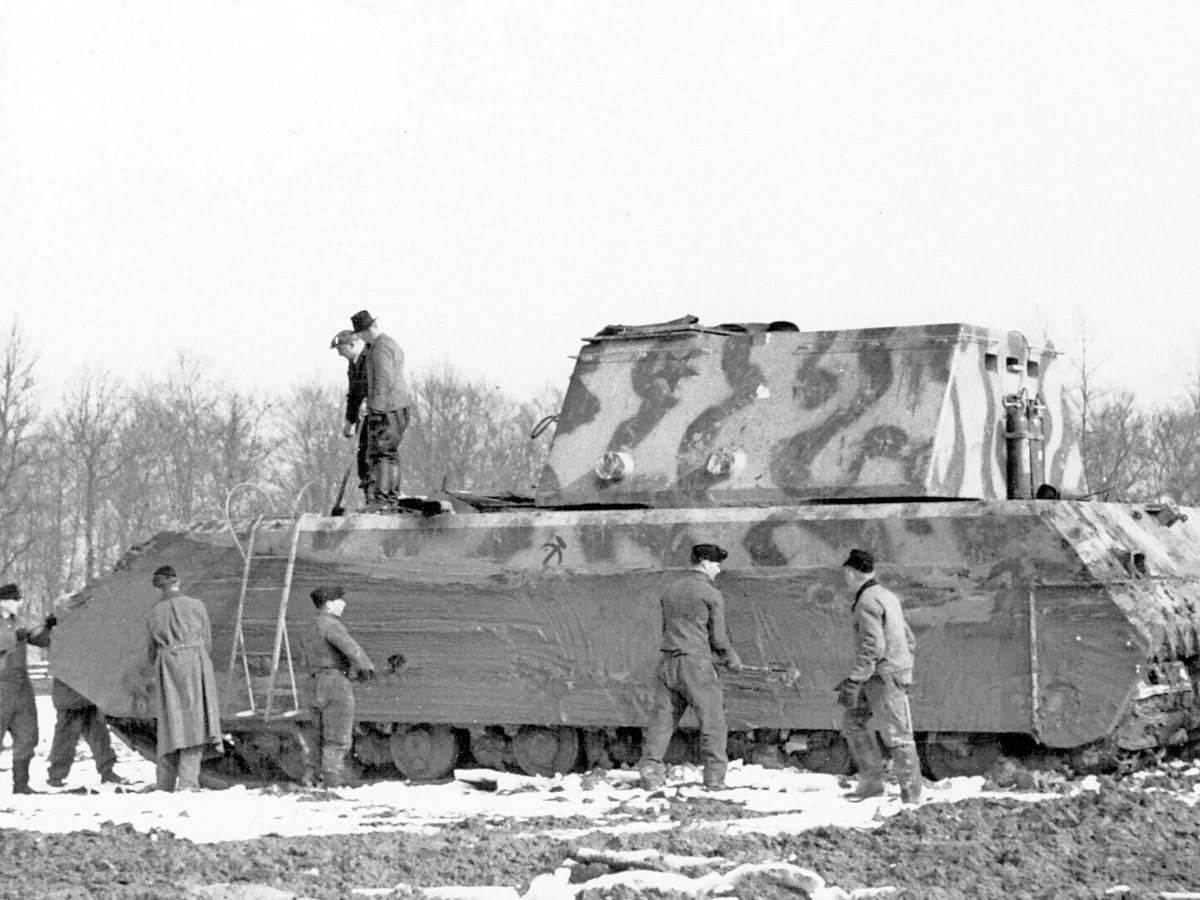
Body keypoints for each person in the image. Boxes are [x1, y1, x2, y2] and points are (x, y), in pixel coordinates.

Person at [638, 543, 743, 791]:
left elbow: (667, 629)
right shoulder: (711, 594)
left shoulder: (671, 590)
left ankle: (650, 774)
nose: (718, 570)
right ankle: (714, 779)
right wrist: (732, 659)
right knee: (712, 722)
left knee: (662, 722)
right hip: (696, 665)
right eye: (716, 564)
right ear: (705, 563)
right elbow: (718, 638)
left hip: (668, 662)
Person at [835, 548, 922, 803]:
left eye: (846, 573)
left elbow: (873, 646)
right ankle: (871, 784)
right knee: (853, 722)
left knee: (897, 734)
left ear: (851, 573)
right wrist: (904, 668)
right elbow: (908, 638)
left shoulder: (866, 601)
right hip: (885, 673)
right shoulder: (887, 596)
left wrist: (855, 679)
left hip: (881, 675)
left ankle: (911, 796)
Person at [146, 566, 222, 792]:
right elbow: (207, 642)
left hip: (166, 665)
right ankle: (188, 782)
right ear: (178, 581)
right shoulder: (197, 605)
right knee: (196, 722)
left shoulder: (153, 612)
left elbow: (151, 651)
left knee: (170, 722)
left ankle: (165, 783)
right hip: (194, 662)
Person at [301, 585, 376, 787]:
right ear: (328, 604)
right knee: (337, 736)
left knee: (317, 735)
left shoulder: (310, 626)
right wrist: (367, 668)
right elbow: (351, 648)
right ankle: (332, 783)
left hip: (313, 683)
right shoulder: (331, 624)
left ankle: (310, 777)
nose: (344, 604)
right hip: (334, 683)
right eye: (339, 600)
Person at [350, 309, 413, 510]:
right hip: (397, 406)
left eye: (360, 334)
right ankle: (389, 499)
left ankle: (383, 501)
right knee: (389, 453)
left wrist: (375, 410)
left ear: (364, 332)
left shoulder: (379, 348)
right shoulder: (388, 343)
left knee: (381, 452)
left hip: (388, 408)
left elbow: (382, 381)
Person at [0, 583, 53, 794]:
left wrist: (49, 626)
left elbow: (41, 641)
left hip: (22, 686)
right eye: (16, 599)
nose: (20, 603)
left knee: (27, 735)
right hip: (1, 687)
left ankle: (21, 785)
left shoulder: (18, 623)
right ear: (3, 602)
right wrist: (16, 636)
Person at [46, 678, 127, 788]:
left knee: (99, 736)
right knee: (65, 740)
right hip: (71, 697)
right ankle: (56, 776)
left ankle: (107, 771)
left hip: (87, 696)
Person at [331, 328, 370, 503]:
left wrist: (369, 401)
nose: (340, 355)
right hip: (364, 416)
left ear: (352, 344)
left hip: (378, 415)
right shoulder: (353, 364)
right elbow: (353, 395)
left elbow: (379, 385)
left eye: (341, 349)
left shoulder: (371, 357)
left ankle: (377, 500)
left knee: (371, 457)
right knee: (362, 458)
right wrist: (350, 420)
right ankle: (370, 499)